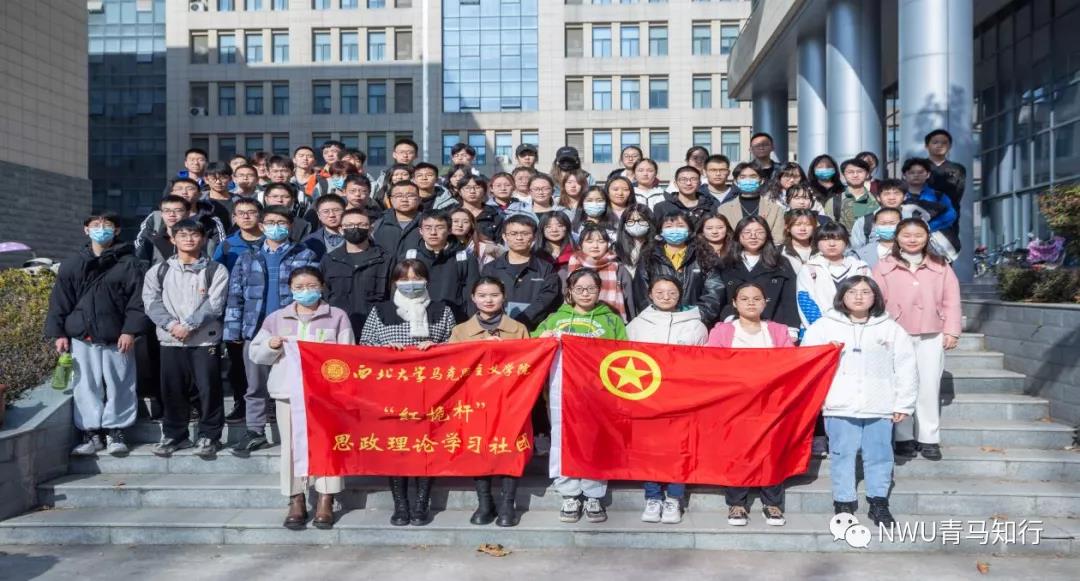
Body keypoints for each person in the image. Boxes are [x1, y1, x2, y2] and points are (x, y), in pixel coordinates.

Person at [802, 276, 917, 527]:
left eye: (865, 292)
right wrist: (825, 352)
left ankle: (878, 501)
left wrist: (903, 403)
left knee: (880, 455)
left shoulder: (890, 328)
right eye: (852, 292)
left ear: (875, 296)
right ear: (842, 296)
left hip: (879, 404)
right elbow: (808, 360)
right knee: (842, 454)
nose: (858, 297)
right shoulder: (824, 327)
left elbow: (906, 366)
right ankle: (843, 502)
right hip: (839, 404)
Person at [248, 267, 353, 530]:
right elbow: (256, 354)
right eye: (299, 287)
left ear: (322, 286)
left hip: (325, 395)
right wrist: (271, 345)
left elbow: (348, 355)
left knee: (327, 445)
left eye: (311, 285)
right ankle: (296, 498)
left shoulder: (337, 316)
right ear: (291, 289)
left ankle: (326, 498)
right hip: (288, 393)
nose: (306, 291)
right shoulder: (276, 318)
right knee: (291, 447)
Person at [360, 259, 456, 527]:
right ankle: (400, 504)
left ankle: (422, 502)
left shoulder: (442, 310)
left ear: (427, 281)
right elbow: (365, 345)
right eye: (404, 279)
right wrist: (386, 351)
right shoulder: (380, 310)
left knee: (426, 446)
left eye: (416, 278)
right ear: (394, 282)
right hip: (392, 392)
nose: (411, 283)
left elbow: (455, 346)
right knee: (397, 447)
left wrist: (436, 347)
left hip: (430, 391)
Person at [45, 212, 145, 456]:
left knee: (121, 384)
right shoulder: (72, 264)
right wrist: (59, 333)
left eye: (107, 225)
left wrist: (130, 330)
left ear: (117, 230)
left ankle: (116, 431)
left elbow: (138, 301)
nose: (101, 229)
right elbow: (60, 301)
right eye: (96, 225)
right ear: (86, 230)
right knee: (85, 385)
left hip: (117, 336)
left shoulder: (130, 263)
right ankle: (90, 433)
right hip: (82, 335)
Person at [534, 268, 627, 524]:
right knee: (562, 439)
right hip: (561, 393)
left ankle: (594, 494)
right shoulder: (555, 319)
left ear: (599, 290)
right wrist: (542, 338)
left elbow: (624, 353)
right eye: (579, 289)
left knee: (596, 441)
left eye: (591, 289)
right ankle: (569, 493)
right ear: (570, 291)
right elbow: (532, 345)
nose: (585, 293)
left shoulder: (612, 320)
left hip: (599, 393)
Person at [224, 206, 319, 457]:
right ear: (262, 225)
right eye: (270, 222)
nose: (275, 227)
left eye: (281, 222)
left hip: (294, 330)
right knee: (255, 386)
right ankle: (255, 431)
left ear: (290, 226)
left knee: (296, 384)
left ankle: (301, 430)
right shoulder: (248, 257)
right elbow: (235, 295)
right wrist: (233, 330)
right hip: (257, 330)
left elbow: (315, 291)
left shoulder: (305, 254)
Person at [705, 282, 793, 527]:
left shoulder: (778, 331)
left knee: (771, 451)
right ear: (734, 303)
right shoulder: (722, 331)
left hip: (770, 402)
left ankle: (772, 502)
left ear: (765, 302)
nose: (751, 303)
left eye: (756, 298)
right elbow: (711, 363)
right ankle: (737, 503)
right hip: (735, 403)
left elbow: (791, 362)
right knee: (737, 452)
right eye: (744, 299)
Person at [873, 218, 961, 462]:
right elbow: (876, 302)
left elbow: (952, 300)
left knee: (929, 385)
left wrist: (952, 331)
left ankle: (929, 438)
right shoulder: (884, 266)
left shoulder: (941, 265)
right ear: (897, 237)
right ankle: (903, 437)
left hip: (931, 333)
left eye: (918, 235)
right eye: (906, 235)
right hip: (896, 334)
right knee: (900, 385)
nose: (912, 240)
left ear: (927, 237)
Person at [143, 219, 229, 459]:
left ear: (203, 239)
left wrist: (190, 325)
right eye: (182, 235)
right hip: (171, 340)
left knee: (208, 389)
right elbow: (151, 303)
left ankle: (209, 435)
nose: (189, 239)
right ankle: (175, 435)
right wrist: (172, 325)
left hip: (204, 341)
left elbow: (215, 304)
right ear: (173, 239)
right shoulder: (159, 271)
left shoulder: (215, 270)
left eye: (194, 234)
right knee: (172, 389)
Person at [626, 276, 708, 525]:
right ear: (650, 295)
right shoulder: (636, 325)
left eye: (671, 292)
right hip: (647, 398)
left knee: (679, 448)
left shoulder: (696, 326)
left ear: (680, 294)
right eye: (659, 292)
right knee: (649, 448)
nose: (665, 297)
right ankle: (653, 496)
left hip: (682, 398)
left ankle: (674, 497)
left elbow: (705, 362)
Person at [450, 277, 531, 528]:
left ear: (504, 297)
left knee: (510, 449)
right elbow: (451, 367)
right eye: (482, 295)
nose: (488, 300)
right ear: (473, 298)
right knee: (479, 448)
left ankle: (508, 503)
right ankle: (484, 503)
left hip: (511, 401)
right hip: (475, 402)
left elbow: (529, 364)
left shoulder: (518, 329)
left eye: (494, 295)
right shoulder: (461, 331)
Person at [697, 216, 800, 331]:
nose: (753, 236)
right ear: (738, 235)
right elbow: (719, 298)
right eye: (747, 232)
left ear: (767, 235)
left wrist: (792, 329)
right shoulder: (725, 264)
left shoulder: (781, 262)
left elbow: (790, 298)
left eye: (759, 232)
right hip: (733, 327)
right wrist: (729, 319)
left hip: (773, 327)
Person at [212, 198, 264, 424]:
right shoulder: (227, 246)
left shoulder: (271, 241)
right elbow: (217, 277)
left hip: (265, 310)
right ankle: (241, 403)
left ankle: (269, 405)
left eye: (251, 212)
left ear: (260, 216)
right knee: (238, 362)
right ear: (234, 218)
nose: (246, 216)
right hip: (237, 311)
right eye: (241, 213)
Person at [482, 214, 562, 330]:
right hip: (497, 328)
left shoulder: (546, 269)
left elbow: (547, 299)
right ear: (504, 237)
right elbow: (484, 298)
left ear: (534, 237)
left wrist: (521, 320)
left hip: (536, 329)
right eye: (513, 233)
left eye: (525, 233)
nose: (519, 238)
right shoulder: (491, 268)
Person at [320, 208, 392, 336]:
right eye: (349, 225)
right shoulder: (330, 259)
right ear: (341, 229)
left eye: (361, 225)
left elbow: (393, 296)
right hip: (339, 328)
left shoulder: (386, 259)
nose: (355, 228)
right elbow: (324, 296)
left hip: (376, 329)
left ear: (371, 229)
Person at [400, 210, 479, 322]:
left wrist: (469, 324)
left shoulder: (464, 258)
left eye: (439, 227)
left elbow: (471, 296)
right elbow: (398, 292)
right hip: (415, 321)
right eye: (428, 228)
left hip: (453, 321)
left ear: (449, 230)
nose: (433, 232)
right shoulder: (409, 257)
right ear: (421, 231)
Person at [796, 221, 871, 328]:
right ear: (816, 242)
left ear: (846, 241)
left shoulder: (861, 268)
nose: (832, 244)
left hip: (857, 327)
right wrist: (823, 329)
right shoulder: (809, 269)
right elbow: (805, 302)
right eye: (825, 239)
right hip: (821, 330)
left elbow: (870, 298)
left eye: (837, 239)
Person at [633, 210, 704, 313]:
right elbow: (642, 294)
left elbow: (714, 290)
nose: (675, 230)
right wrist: (657, 316)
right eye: (669, 226)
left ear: (689, 230)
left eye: (680, 226)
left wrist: (698, 314)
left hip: (694, 318)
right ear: (661, 232)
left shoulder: (702, 256)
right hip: (658, 319)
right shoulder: (649, 257)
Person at [568, 224, 635, 321]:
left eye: (601, 241)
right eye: (589, 241)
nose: (595, 246)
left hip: (612, 321)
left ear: (607, 244)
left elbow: (629, 301)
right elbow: (567, 295)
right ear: (580, 245)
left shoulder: (619, 269)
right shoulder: (574, 265)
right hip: (578, 320)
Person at [901, 157, 959, 258]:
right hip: (905, 245)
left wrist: (928, 227)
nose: (916, 175)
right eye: (911, 172)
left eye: (920, 172)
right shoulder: (898, 197)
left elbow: (951, 215)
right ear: (904, 175)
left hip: (935, 247)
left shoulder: (938, 196)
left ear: (928, 174)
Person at [717, 162, 786, 243]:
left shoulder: (775, 209)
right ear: (735, 181)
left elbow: (778, 239)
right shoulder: (724, 210)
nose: (748, 180)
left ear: (762, 181)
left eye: (753, 176)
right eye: (742, 177)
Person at [371, 180, 424, 255]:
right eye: (399, 196)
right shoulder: (378, 224)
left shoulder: (427, 223)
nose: (404, 200)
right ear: (391, 200)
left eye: (410, 196)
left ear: (419, 199)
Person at [652, 166, 717, 225]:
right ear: (675, 184)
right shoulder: (661, 207)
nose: (688, 183)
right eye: (683, 179)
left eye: (693, 179)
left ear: (699, 183)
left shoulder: (710, 207)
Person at [924, 129, 966, 215]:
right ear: (926, 146)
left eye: (944, 143)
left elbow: (957, 194)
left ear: (950, 146)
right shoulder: (917, 166)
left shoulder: (958, 169)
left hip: (948, 214)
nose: (940, 145)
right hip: (922, 214)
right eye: (935, 142)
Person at [614, 204, 655, 276]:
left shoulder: (658, 248)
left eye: (641, 220)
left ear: (649, 222)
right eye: (630, 221)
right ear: (624, 225)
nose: (636, 224)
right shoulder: (616, 249)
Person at [537, 211, 575, 288]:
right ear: (542, 229)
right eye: (548, 226)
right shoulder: (535, 255)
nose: (554, 230)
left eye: (560, 226)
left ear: (567, 228)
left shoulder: (577, 255)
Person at [302, 194, 346, 259]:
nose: (331, 215)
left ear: (345, 212)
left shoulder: (358, 236)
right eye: (326, 211)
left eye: (336, 210)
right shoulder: (309, 241)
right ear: (319, 215)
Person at [838, 158, 878, 231]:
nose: (855, 175)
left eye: (860, 171)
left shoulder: (877, 200)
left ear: (867, 174)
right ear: (843, 175)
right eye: (850, 172)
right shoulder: (834, 201)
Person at [691, 211, 733, 276]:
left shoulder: (736, 249)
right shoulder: (693, 252)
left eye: (720, 227)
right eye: (709, 228)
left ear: (727, 229)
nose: (715, 231)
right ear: (702, 231)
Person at [808, 154, 845, 220]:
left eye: (828, 166)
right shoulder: (807, 190)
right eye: (820, 167)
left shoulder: (843, 190)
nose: (824, 169)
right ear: (813, 170)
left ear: (835, 169)